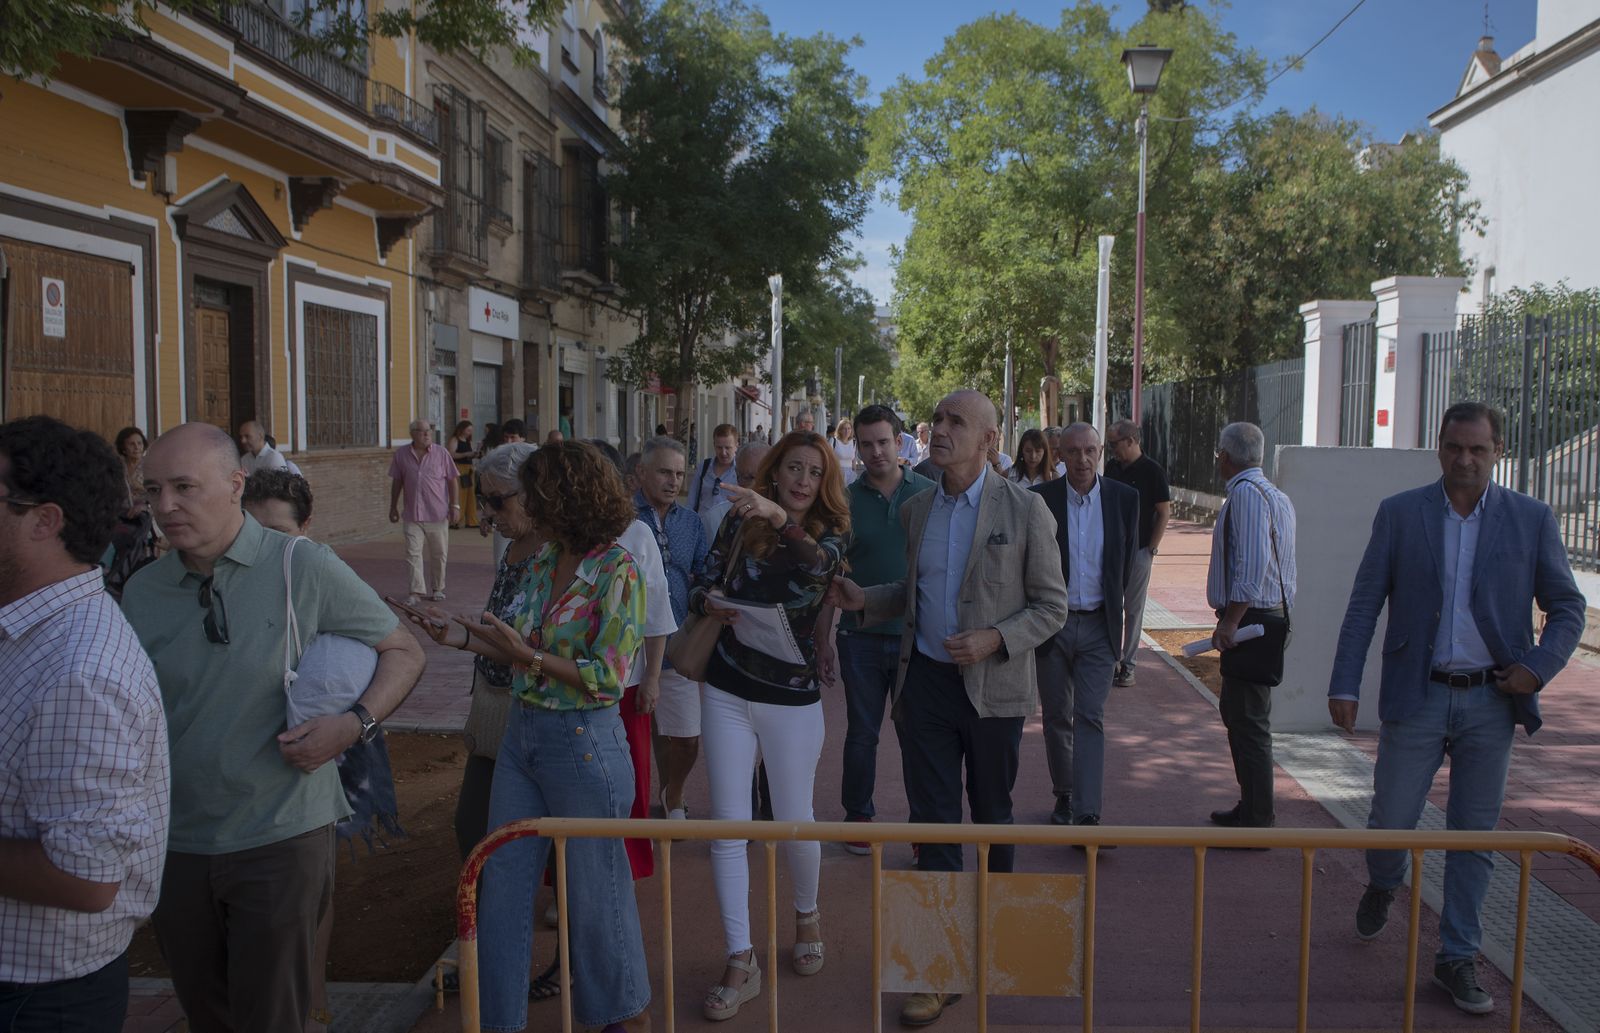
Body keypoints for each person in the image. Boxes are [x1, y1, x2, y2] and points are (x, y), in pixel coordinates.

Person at [124, 422, 425, 1033]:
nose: (165, 506)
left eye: (184, 487)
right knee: (206, 1012)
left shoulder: (302, 565)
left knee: (271, 1016)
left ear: (236, 484)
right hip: (176, 841)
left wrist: (354, 724)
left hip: (280, 836)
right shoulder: (143, 591)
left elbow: (403, 650)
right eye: (152, 490)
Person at [1328, 402, 1585, 1016]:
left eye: (1478, 449)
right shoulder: (1401, 513)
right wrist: (1344, 683)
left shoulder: (1530, 518)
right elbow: (1364, 603)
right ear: (1439, 447)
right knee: (1390, 820)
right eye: (1454, 447)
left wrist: (1537, 668)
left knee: (1472, 836)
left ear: (1498, 451)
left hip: (1492, 701)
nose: (1465, 459)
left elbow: (1567, 607)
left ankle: (1456, 956)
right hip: (1417, 693)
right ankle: (1384, 880)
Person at [826, 390, 1067, 1029]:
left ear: (989, 440)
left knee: (992, 817)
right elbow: (915, 593)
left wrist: (995, 639)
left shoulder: (1026, 510)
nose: (939, 429)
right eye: (936, 419)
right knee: (933, 822)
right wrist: (866, 600)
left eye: (956, 422)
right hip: (926, 685)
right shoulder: (918, 509)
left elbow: (1052, 606)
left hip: (994, 690)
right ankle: (936, 967)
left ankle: (998, 937)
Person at [411, 442, 652, 1033]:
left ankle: (619, 1018)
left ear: (567, 497)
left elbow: (608, 677)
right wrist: (458, 637)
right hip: (524, 736)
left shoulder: (617, 569)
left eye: (535, 493)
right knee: (502, 886)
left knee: (594, 897)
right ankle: (499, 1022)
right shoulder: (544, 559)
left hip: (584, 742)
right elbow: (515, 644)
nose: (521, 505)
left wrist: (531, 657)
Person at [0, 415, 170, 1032]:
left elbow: (85, 877)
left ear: (44, 521)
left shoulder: (81, 672)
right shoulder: (31, 630)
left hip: (38, 999)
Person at [689, 430, 848, 1021]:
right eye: (794, 468)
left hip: (792, 698)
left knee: (794, 819)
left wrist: (782, 520)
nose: (804, 480)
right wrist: (707, 602)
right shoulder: (739, 522)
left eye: (814, 471)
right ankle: (740, 957)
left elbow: (819, 568)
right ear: (775, 472)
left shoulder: (831, 531)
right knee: (728, 825)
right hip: (727, 688)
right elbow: (702, 578)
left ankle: (806, 915)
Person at [242, 468, 404, 1032]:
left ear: (307, 526)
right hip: (242, 765)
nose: (266, 546)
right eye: (254, 531)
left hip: (316, 753)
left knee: (312, 882)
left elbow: (394, 649)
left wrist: (348, 724)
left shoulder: (320, 572)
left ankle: (312, 999)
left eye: (280, 532)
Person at [815, 405, 934, 853]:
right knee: (862, 732)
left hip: (915, 637)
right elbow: (829, 577)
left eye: (883, 442)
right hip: (859, 637)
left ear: (899, 442)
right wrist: (822, 641)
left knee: (918, 736)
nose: (876, 451)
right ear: (858, 449)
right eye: (866, 444)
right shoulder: (843, 501)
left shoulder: (929, 494)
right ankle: (858, 816)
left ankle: (923, 828)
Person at [1032, 424, 1138, 830]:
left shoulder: (1124, 498)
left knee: (1090, 715)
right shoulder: (1041, 500)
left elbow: (1125, 564)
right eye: (1073, 451)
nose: (1082, 459)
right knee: (1057, 715)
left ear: (1100, 453)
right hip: (1052, 624)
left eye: (1090, 450)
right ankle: (1065, 793)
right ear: (1059, 455)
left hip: (1099, 625)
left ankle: (1088, 811)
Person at [1205, 422, 1297, 836]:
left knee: (1248, 721)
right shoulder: (1275, 495)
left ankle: (1257, 816)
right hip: (1268, 618)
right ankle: (1252, 806)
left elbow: (1253, 565)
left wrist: (1231, 621)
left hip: (1253, 622)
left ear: (1225, 456)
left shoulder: (1245, 495)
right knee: (1241, 714)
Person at [635, 436, 710, 823]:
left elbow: (704, 572)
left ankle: (673, 792)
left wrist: (706, 599)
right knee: (631, 736)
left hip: (676, 645)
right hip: (627, 647)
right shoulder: (621, 518)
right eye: (665, 472)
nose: (673, 481)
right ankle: (630, 807)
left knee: (686, 738)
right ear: (641, 472)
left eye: (679, 474)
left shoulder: (692, 522)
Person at [1104, 419, 1171, 687]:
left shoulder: (1152, 471)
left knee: (1133, 609)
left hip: (1139, 550)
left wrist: (1151, 548)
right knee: (1109, 606)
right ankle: (1111, 660)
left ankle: (1128, 664)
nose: (1112, 450)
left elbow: (1163, 512)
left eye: (1114, 444)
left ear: (1131, 441)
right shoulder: (1112, 468)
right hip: (1111, 550)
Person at [389, 419, 461, 604]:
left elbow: (452, 480)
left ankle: (438, 588)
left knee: (439, 554)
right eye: (422, 431)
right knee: (412, 553)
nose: (427, 434)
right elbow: (397, 481)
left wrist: (455, 506)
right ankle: (416, 592)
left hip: (438, 514)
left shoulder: (441, 453)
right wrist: (393, 506)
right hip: (412, 515)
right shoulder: (401, 454)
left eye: (429, 430)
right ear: (412, 434)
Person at [700, 441, 771, 544]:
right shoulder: (715, 518)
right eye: (748, 477)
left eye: (764, 477)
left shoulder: (784, 518)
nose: (755, 485)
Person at [690, 423, 740, 512]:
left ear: (736, 446)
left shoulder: (741, 471)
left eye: (728, 448)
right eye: (719, 448)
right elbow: (691, 500)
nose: (723, 453)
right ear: (714, 445)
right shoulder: (703, 467)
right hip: (702, 520)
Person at [447, 420, 478, 529]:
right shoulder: (455, 439)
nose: (470, 432)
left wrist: (474, 455)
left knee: (470, 495)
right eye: (468, 430)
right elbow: (451, 454)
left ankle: (471, 520)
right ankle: (456, 520)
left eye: (471, 430)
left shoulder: (468, 441)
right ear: (462, 429)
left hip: (468, 469)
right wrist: (466, 454)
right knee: (460, 494)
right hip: (458, 468)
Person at [114, 425, 149, 512]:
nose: (136, 447)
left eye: (139, 443)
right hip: (119, 512)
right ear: (123, 447)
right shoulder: (117, 466)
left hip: (144, 512)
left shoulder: (150, 466)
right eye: (131, 444)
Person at [831, 418, 859, 485]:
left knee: (849, 491)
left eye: (849, 428)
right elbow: (828, 457)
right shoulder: (833, 441)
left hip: (850, 474)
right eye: (844, 428)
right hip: (837, 472)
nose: (847, 431)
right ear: (840, 430)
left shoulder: (854, 442)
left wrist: (854, 472)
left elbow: (853, 460)